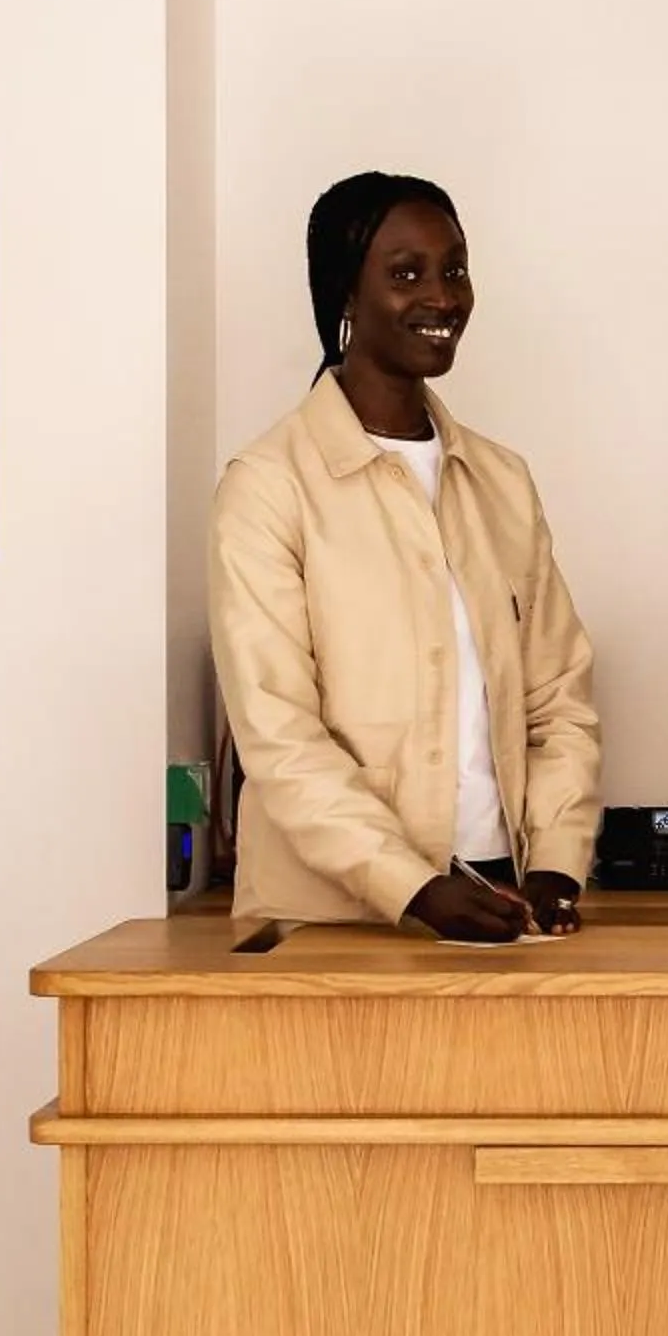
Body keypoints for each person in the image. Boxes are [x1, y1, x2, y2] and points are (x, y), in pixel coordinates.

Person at [210, 172, 600, 943]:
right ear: (345, 296)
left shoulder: (502, 481)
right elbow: (279, 736)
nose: (443, 297)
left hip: (501, 896)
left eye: (454, 269)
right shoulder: (267, 486)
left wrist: (556, 863)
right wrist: (413, 887)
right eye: (406, 273)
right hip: (328, 916)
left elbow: (559, 698)